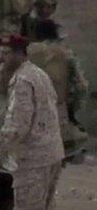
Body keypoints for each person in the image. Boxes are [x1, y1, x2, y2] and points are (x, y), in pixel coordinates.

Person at [0, 34, 64, 210]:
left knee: (27, 208)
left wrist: (3, 146)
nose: (0, 58)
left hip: (33, 155)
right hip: (52, 151)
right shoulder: (39, 74)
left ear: (19, 54)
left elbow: (19, 121)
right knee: (45, 207)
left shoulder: (22, 79)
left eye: (5, 54)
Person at [27, 20, 88, 149]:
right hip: (58, 111)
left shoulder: (27, 53)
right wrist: (72, 110)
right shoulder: (65, 53)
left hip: (30, 112)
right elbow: (81, 86)